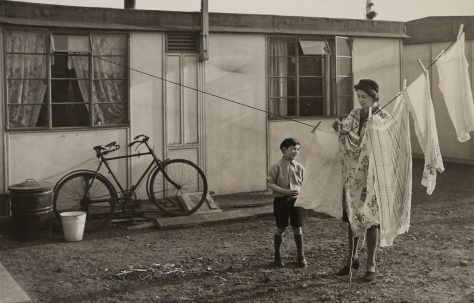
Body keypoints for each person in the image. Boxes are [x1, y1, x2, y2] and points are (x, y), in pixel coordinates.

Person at [332, 79, 382, 282]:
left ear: (374, 97)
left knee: (371, 220)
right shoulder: (355, 114)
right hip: (353, 177)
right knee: (352, 217)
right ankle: (351, 257)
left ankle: (371, 263)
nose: (361, 101)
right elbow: (348, 135)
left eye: (364, 97)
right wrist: (340, 129)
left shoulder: (383, 116)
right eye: (359, 96)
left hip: (372, 178)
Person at [266, 138, 307, 268]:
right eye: (293, 148)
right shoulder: (276, 167)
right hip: (281, 201)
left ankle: (300, 257)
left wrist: (300, 192)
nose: (296, 151)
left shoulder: (300, 167)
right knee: (281, 227)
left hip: (296, 201)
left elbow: (304, 184)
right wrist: (285, 191)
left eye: (298, 149)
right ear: (284, 149)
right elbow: (270, 184)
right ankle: (277, 257)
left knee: (297, 227)